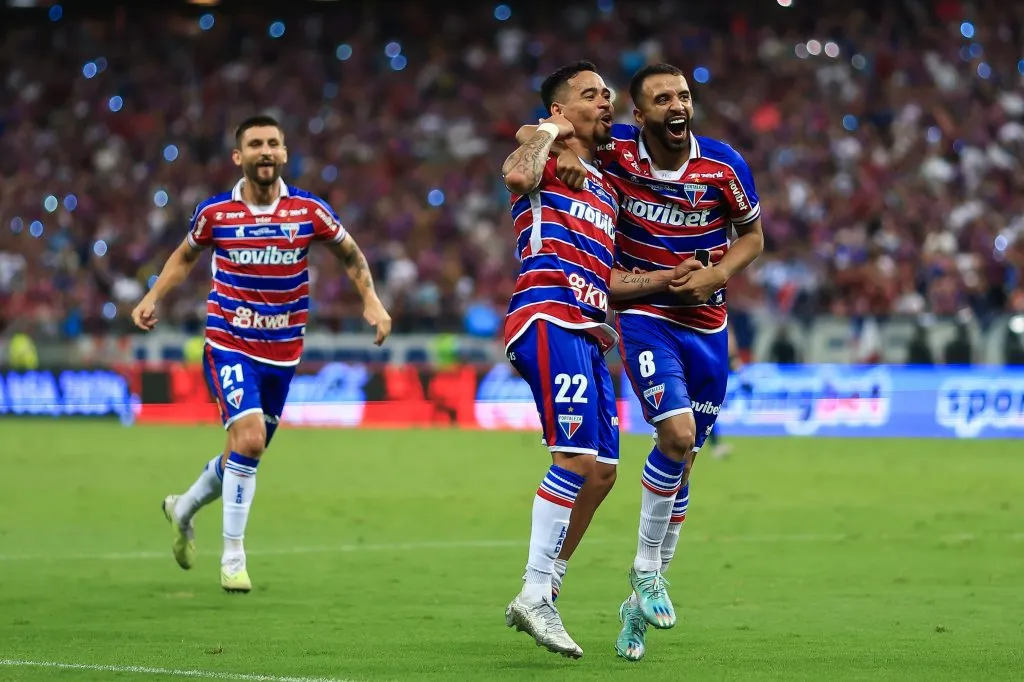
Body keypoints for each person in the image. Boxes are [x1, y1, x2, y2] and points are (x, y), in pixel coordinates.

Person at [517, 62, 764, 660]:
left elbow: (754, 236)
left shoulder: (724, 165)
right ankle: (638, 572)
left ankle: (636, 600)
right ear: (641, 115)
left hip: (708, 322)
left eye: (683, 96)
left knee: (681, 461)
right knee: (671, 436)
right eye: (662, 99)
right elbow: (532, 136)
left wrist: (717, 274)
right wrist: (550, 137)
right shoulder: (616, 152)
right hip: (642, 316)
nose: (677, 106)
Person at [130, 115, 392, 593]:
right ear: (239, 157)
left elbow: (351, 254)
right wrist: (153, 297)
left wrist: (371, 300)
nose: (265, 151)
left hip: (284, 351)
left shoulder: (308, 211)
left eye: (273, 143)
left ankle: (183, 507)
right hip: (228, 342)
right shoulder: (216, 214)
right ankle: (233, 557)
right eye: (255, 144)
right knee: (250, 440)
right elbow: (184, 256)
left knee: (243, 450)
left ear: (285, 153)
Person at [501, 61, 691, 659]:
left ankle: (544, 588)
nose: (605, 102)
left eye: (607, 94)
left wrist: (665, 278)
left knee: (603, 472)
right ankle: (535, 593)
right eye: (591, 95)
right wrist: (546, 134)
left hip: (588, 326)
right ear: (560, 110)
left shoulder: (603, 185)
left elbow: (606, 279)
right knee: (577, 457)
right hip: (547, 314)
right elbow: (514, 173)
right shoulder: (543, 155)